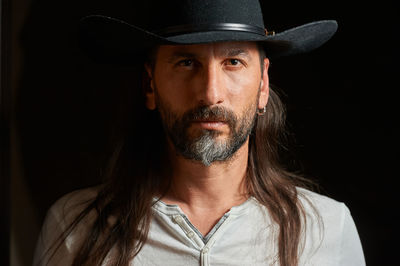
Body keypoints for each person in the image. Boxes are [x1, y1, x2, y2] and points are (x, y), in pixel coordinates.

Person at [33, 0, 365, 265]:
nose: (210, 93)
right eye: (186, 63)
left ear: (263, 84)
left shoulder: (325, 228)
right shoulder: (75, 226)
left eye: (233, 62)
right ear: (150, 84)